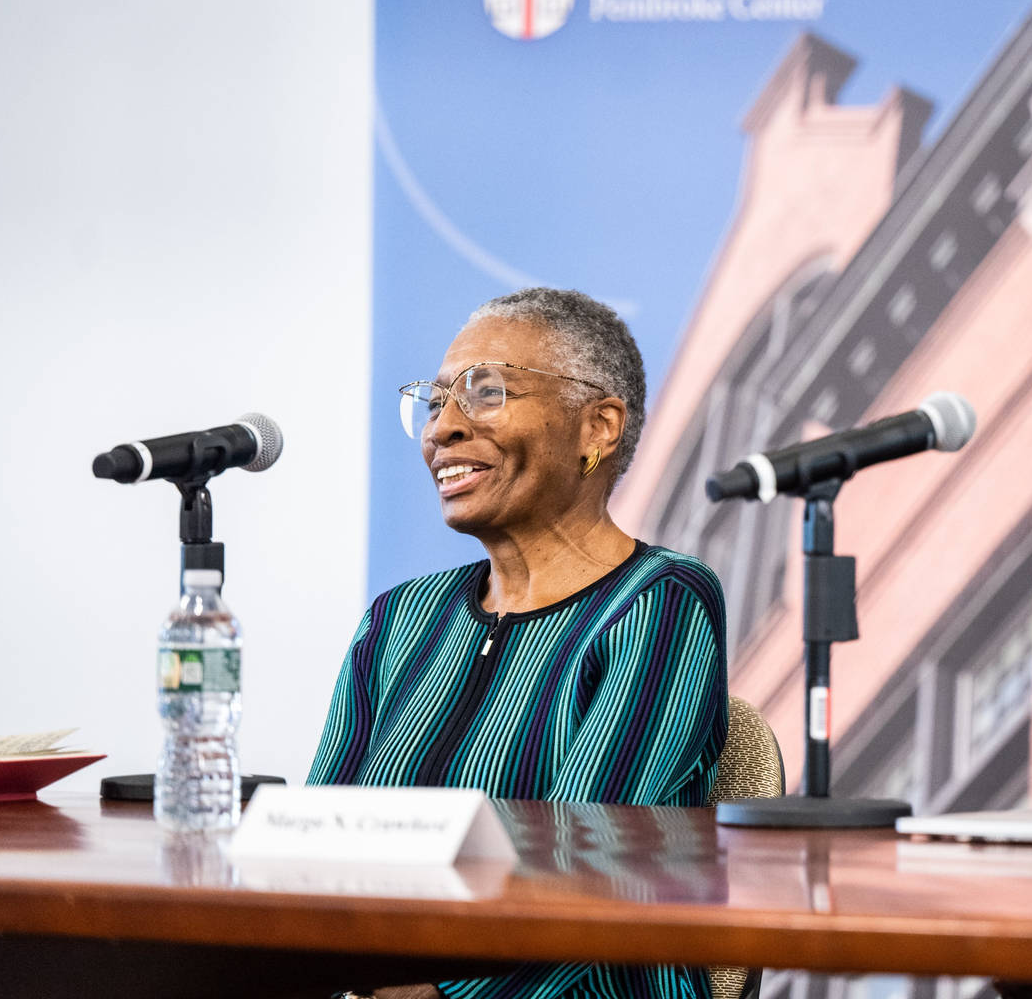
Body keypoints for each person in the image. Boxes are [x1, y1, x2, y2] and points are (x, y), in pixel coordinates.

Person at [309, 287, 727, 999]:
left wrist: (442, 998)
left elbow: (587, 878)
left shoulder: (660, 603)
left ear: (597, 428)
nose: (443, 429)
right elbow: (316, 849)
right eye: (436, 402)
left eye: (486, 392)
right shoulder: (398, 622)